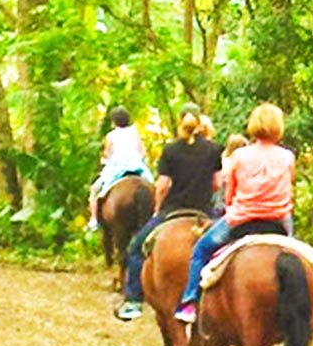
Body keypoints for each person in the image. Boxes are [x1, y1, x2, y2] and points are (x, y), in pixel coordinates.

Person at [174, 104, 296, 325]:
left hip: (242, 218)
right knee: (296, 256)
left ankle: (190, 300)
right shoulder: (288, 157)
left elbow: (230, 193)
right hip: (279, 220)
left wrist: (233, 207)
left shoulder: (239, 156)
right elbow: (289, 187)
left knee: (201, 250)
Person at [115, 107, 227, 321]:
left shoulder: (170, 150)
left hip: (173, 211)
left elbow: (164, 185)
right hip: (203, 213)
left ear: (180, 122)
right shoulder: (213, 150)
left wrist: (157, 208)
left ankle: (133, 301)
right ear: (200, 122)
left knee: (136, 248)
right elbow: (216, 183)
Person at [89, 105, 151, 230]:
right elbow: (142, 152)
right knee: (152, 185)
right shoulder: (135, 133)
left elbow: (108, 154)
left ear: (114, 121)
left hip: (117, 168)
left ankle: (94, 219)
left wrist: (105, 159)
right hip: (137, 166)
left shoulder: (111, 136)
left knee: (95, 190)